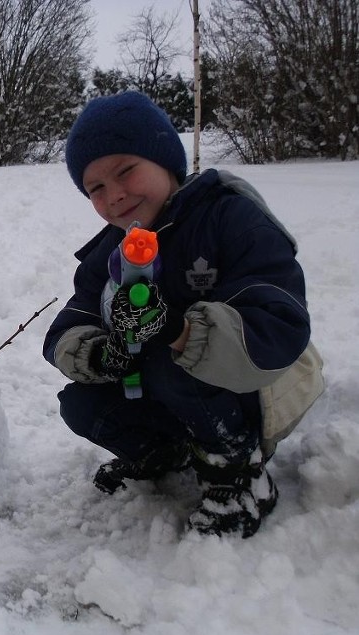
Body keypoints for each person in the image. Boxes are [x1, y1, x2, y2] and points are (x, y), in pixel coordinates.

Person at [43, 91, 324, 538]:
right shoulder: (113, 250)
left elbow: (278, 326)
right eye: (95, 187)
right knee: (82, 403)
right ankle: (168, 452)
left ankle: (240, 472)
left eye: (126, 170)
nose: (114, 195)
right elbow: (68, 324)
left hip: (262, 386)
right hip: (173, 390)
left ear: (166, 162)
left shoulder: (230, 218)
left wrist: (178, 330)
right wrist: (102, 354)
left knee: (169, 364)